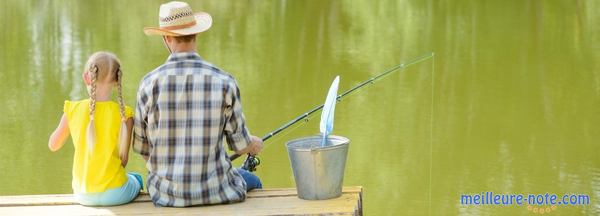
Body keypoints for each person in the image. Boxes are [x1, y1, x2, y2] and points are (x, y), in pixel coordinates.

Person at [133, 1, 263, 207]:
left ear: (166, 38)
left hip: (165, 195)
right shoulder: (225, 81)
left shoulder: (148, 85)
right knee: (253, 180)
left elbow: (142, 148)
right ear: (196, 33)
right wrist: (254, 144)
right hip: (218, 190)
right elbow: (240, 144)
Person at [48, 51, 143, 206]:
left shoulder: (73, 110)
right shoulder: (125, 115)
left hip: (82, 194)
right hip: (116, 194)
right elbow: (123, 161)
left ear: (87, 77)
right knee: (136, 178)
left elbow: (53, 145)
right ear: (117, 81)